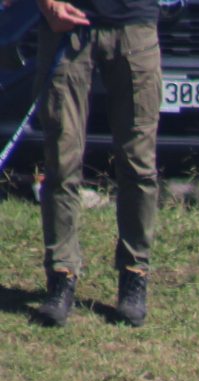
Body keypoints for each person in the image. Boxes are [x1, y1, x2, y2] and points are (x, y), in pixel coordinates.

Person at [30, 0, 160, 328]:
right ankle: (61, 275)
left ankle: (135, 274)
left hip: (134, 27)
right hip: (67, 27)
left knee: (138, 163)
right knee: (61, 160)